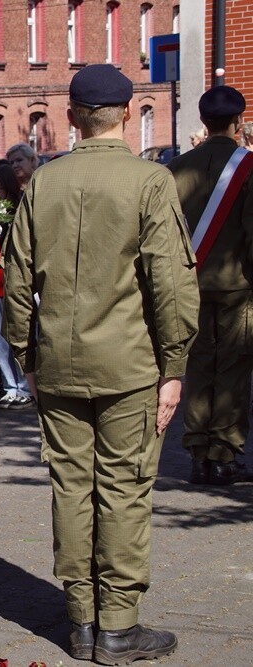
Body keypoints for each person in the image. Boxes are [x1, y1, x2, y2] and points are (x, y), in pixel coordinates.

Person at [4, 64, 199, 665]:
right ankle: (116, 626)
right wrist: (174, 366)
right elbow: (170, 284)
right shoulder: (151, 181)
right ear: (129, 110)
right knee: (124, 489)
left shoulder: (43, 182)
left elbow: (17, 280)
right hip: (129, 366)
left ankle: (83, 621)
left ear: (71, 117)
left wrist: (26, 356)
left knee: (71, 488)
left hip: (59, 363)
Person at [169, 85, 253, 486]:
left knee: (198, 365)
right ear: (238, 121)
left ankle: (197, 453)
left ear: (203, 121)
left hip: (189, 285)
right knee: (233, 368)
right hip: (238, 285)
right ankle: (223, 454)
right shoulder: (248, 167)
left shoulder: (176, 168)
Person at [0, 161, 33, 410]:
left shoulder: (20, 210)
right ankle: (9, 386)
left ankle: (24, 387)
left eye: (0, 189)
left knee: (18, 334)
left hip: (14, 280)